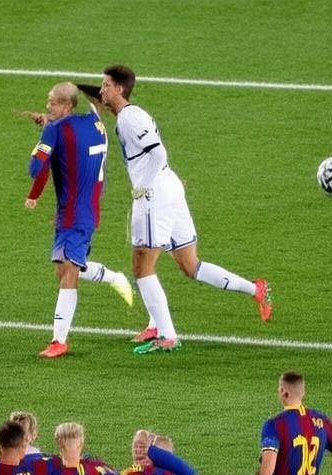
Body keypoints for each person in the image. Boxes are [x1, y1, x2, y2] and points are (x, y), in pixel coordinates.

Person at [92, 65, 272, 355]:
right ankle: (256, 290)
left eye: (106, 85)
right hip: (169, 188)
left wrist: (144, 187)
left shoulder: (129, 118)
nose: (102, 90)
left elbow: (158, 152)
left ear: (120, 89)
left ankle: (167, 335)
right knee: (191, 265)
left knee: (141, 266)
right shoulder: (131, 115)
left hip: (154, 196)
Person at [21, 82, 134, 358]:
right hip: (83, 210)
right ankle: (113, 277)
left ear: (67, 105)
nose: (48, 105)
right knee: (64, 269)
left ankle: (59, 341)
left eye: (52, 102)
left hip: (75, 213)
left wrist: (43, 140)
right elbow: (77, 126)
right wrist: (52, 122)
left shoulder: (55, 130)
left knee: (69, 271)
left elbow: (36, 168)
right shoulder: (95, 122)